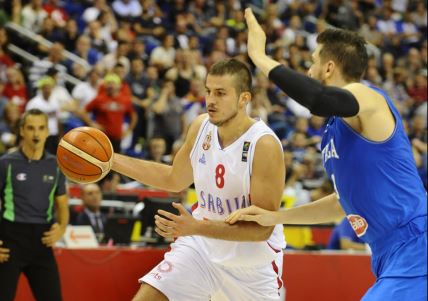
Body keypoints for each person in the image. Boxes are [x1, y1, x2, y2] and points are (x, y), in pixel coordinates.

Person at [226, 8, 427, 301]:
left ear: (329, 67)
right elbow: (341, 203)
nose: (309, 70)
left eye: (312, 62)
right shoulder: (335, 130)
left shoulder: (368, 98)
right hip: (389, 255)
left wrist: (259, 57)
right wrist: (275, 217)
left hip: (416, 243)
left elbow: (317, 99)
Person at [112, 58, 286, 301]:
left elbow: (261, 229)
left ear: (244, 98)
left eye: (221, 93)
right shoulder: (200, 126)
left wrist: (194, 226)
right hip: (200, 248)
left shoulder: (263, 145)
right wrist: (111, 161)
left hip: (251, 265)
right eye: (208, 91)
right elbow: (174, 179)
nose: (211, 100)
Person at [0, 109, 69, 301]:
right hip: (10, 241)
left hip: (42, 241)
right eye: (31, 128)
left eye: (41, 128)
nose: (36, 134)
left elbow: (62, 204)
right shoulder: (6, 162)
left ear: (48, 131)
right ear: (22, 131)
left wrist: (62, 228)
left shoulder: (55, 165)